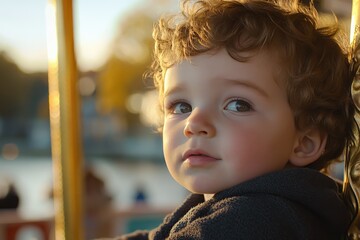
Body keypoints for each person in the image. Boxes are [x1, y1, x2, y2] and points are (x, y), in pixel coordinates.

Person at [111, 0, 359, 239]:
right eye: (181, 106)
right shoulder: (231, 205)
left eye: (238, 105)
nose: (194, 124)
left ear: (304, 142)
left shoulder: (258, 219)